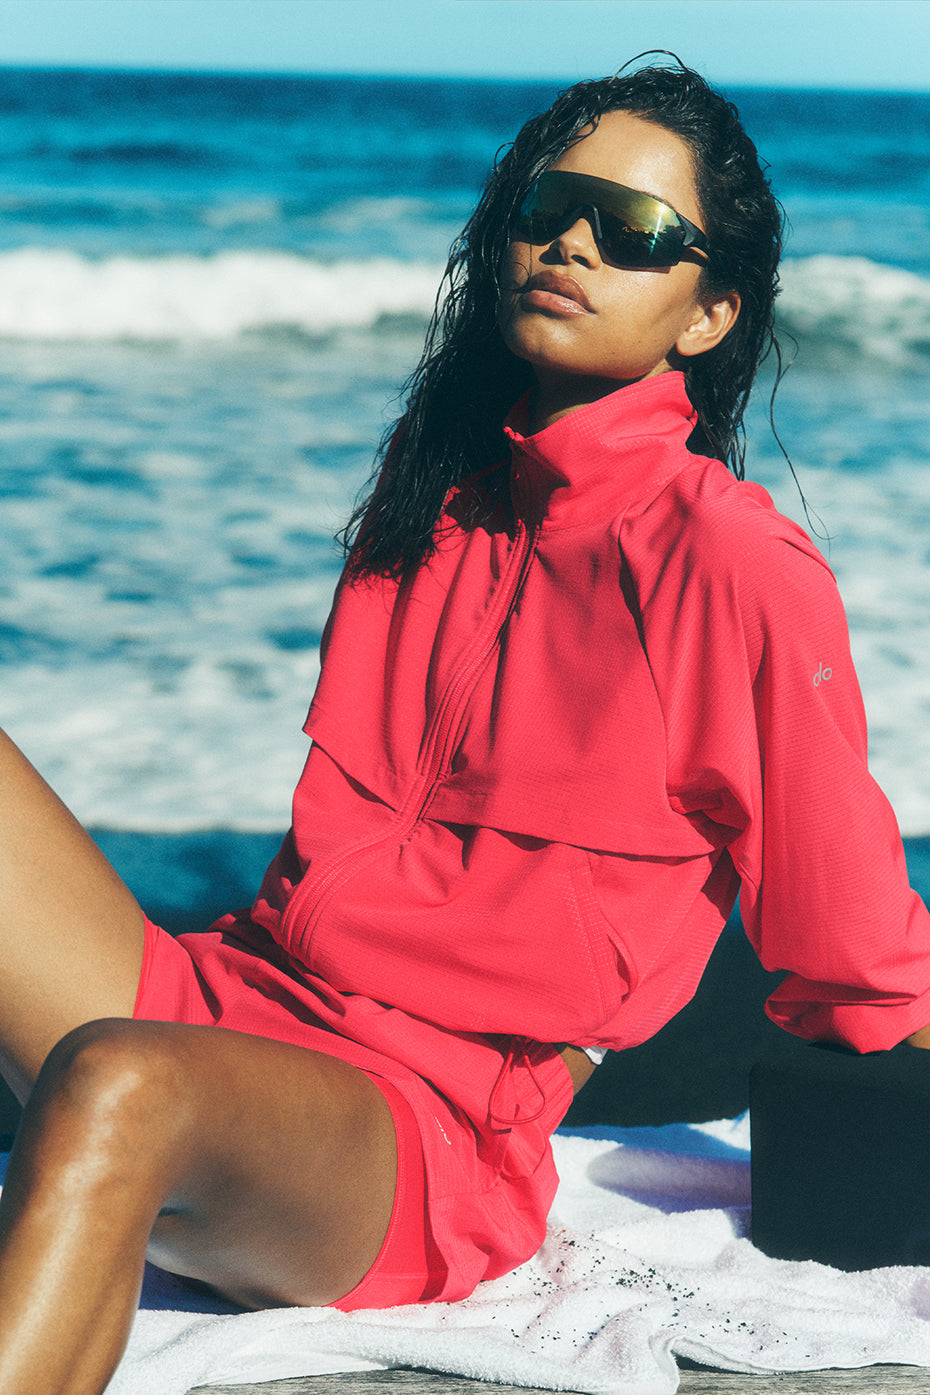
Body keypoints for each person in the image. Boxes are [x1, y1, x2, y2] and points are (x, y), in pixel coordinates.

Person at [1, 56, 929, 1394]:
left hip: (419, 1132)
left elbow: (849, 942)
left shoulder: (729, 560)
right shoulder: (435, 497)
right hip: (235, 1009)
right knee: (128, 1055)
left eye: (635, 231)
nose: (573, 244)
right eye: (552, 207)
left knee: (118, 1082)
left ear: (708, 312)